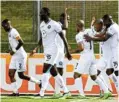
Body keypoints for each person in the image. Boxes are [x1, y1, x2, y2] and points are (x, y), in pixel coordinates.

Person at [30, 7, 72, 99]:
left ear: (46, 13)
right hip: (47, 51)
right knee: (54, 72)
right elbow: (42, 38)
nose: (40, 14)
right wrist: (36, 48)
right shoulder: (42, 25)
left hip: (54, 50)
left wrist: (67, 52)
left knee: (45, 69)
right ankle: (66, 91)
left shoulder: (55, 24)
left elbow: (63, 38)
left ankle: (41, 93)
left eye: (41, 13)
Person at [71, 20, 111, 99]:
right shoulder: (89, 31)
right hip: (92, 57)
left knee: (76, 75)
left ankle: (82, 95)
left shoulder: (79, 35)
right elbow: (96, 34)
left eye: (76, 26)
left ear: (78, 27)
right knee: (94, 77)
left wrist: (70, 52)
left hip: (85, 57)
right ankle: (106, 91)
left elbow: (81, 48)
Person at [1, 19, 41, 96]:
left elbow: (21, 42)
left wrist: (14, 50)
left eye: (4, 26)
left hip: (20, 56)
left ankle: (39, 82)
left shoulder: (14, 32)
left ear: (8, 24)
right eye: (2, 27)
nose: (4, 28)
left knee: (21, 75)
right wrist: (11, 50)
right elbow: (15, 45)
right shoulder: (9, 33)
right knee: (10, 73)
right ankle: (15, 92)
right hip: (15, 56)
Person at [84, 14, 119, 95]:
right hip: (107, 55)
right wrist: (92, 35)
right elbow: (100, 34)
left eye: (104, 22)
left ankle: (115, 89)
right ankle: (108, 90)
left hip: (115, 53)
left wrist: (92, 38)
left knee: (117, 72)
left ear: (107, 21)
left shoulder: (113, 27)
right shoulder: (108, 27)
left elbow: (104, 38)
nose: (104, 24)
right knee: (107, 72)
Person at [52, 8, 70, 98]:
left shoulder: (63, 27)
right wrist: (66, 13)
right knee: (54, 71)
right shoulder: (58, 24)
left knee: (60, 71)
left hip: (61, 52)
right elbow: (65, 26)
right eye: (67, 19)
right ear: (62, 19)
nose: (68, 21)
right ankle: (58, 91)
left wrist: (67, 47)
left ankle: (57, 92)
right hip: (56, 52)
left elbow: (63, 38)